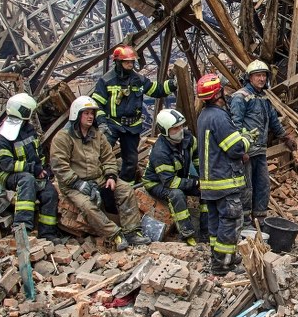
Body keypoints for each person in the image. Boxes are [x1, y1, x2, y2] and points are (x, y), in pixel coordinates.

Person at [50, 96, 151, 251]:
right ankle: (115, 234)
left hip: (98, 178)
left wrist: (111, 175)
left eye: (92, 113)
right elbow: (59, 165)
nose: (90, 116)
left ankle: (132, 232)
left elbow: (108, 157)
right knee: (88, 207)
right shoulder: (63, 137)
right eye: (86, 113)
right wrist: (77, 183)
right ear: (77, 114)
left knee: (125, 190)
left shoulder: (97, 135)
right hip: (72, 185)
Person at [91, 44, 177, 182]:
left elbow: (156, 90)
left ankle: (126, 187)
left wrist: (172, 85)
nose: (130, 64)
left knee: (131, 160)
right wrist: (102, 123)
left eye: (132, 61)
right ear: (118, 62)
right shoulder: (106, 81)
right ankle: (99, 182)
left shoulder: (138, 80)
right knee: (102, 153)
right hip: (112, 124)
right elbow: (96, 104)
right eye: (127, 62)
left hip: (132, 126)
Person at [229, 60, 297, 229]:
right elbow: (235, 125)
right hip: (246, 152)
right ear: (249, 77)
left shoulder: (264, 97)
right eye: (257, 75)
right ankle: (244, 223)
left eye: (264, 75)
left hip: (259, 150)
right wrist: (240, 150)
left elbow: (273, 120)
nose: (261, 79)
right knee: (246, 187)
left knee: (263, 186)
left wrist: (285, 137)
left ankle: (259, 220)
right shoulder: (240, 97)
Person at [196, 73, 251, 275]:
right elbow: (235, 148)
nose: (225, 92)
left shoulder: (204, 116)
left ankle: (219, 258)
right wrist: (246, 138)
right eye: (223, 89)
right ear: (217, 93)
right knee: (231, 222)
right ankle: (224, 265)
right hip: (225, 182)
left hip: (211, 185)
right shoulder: (219, 117)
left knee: (216, 225)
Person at [0, 93, 65, 245]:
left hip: (31, 172)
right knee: (27, 180)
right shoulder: (3, 137)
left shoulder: (28, 129)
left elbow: (38, 154)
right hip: (9, 176)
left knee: (50, 191)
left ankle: (48, 233)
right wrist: (33, 169)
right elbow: (7, 164)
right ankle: (22, 228)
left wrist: (44, 169)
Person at [142, 109, 206, 247]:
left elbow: (196, 158)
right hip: (157, 183)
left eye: (181, 126)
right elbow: (171, 182)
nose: (180, 131)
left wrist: (202, 178)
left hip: (177, 177)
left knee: (206, 190)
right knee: (176, 194)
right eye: (175, 128)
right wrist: (195, 182)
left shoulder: (188, 139)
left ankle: (206, 230)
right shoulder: (160, 152)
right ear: (165, 131)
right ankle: (186, 233)